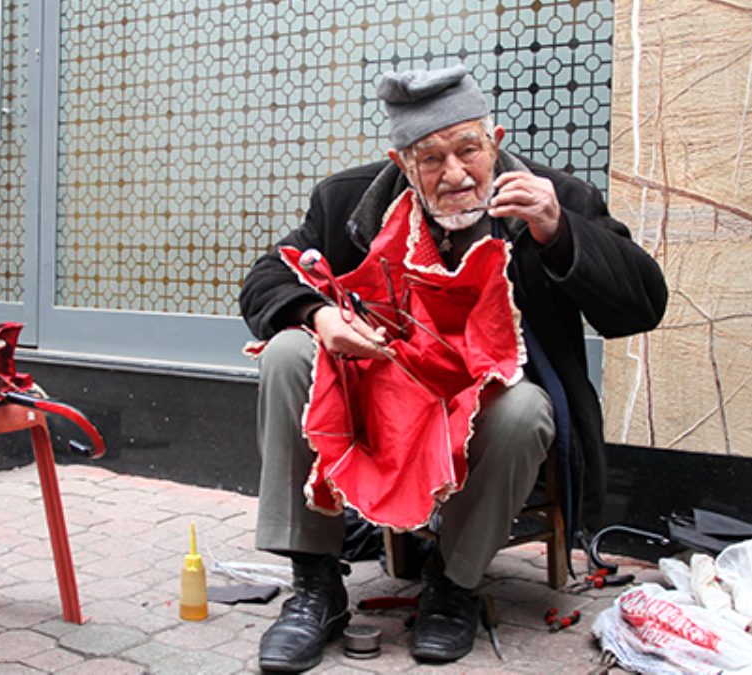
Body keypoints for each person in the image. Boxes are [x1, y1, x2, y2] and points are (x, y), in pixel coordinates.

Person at [239, 63, 667, 672]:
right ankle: (315, 587)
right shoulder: (351, 202)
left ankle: (454, 584)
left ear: (495, 141)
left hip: (493, 401)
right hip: (389, 396)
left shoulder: (554, 197)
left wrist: (559, 230)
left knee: (523, 412)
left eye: (469, 150)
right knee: (288, 353)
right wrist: (318, 314)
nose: (457, 175)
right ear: (401, 162)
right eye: (431, 159)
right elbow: (267, 278)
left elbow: (643, 306)